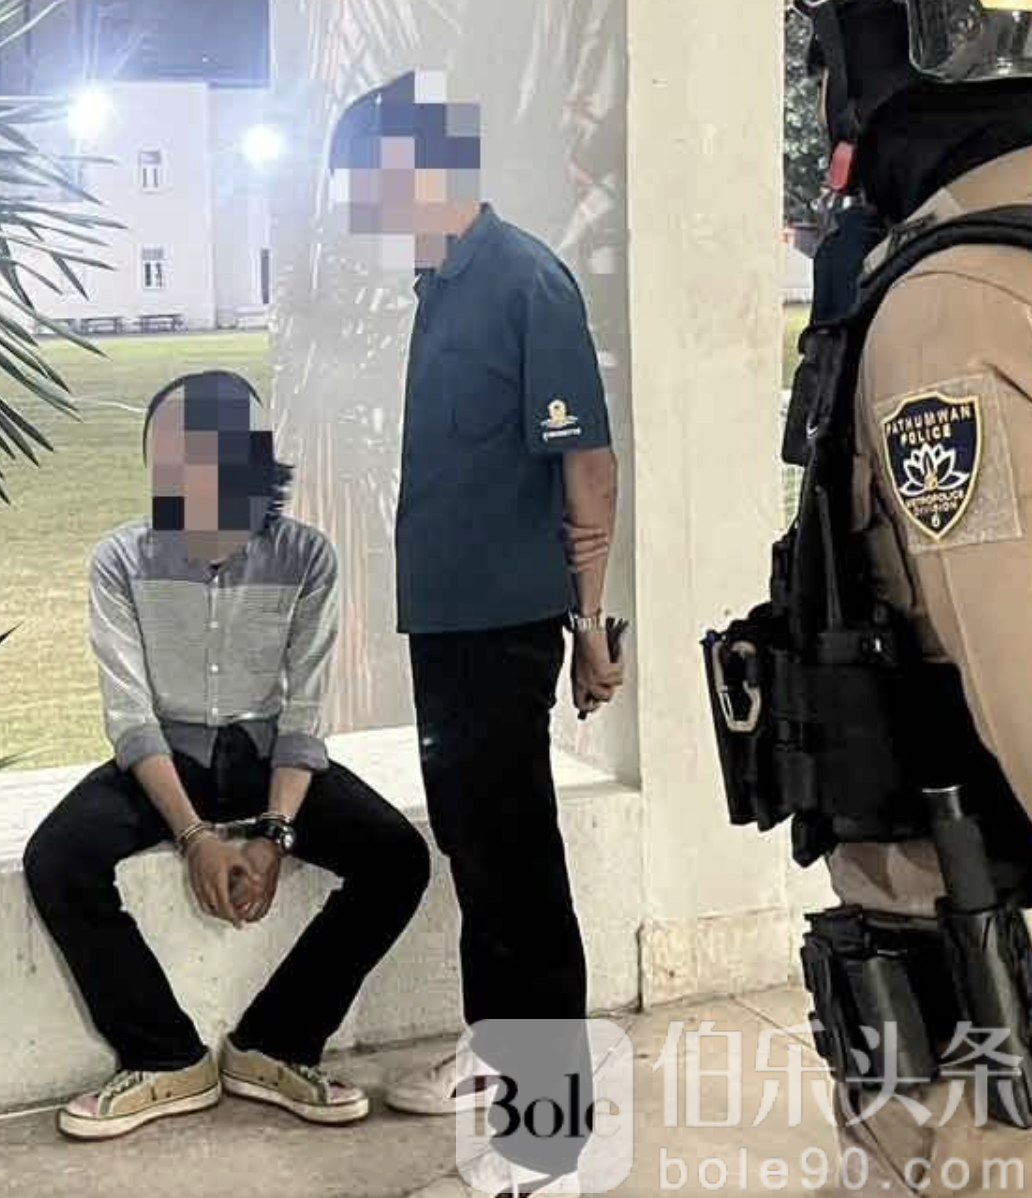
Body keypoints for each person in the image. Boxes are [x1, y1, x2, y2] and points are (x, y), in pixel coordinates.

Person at [326, 72, 624, 1194]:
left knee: (515, 864)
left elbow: (588, 468)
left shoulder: (524, 281)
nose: (359, 204)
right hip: (445, 626)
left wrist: (589, 627)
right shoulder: (439, 284)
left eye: (365, 180)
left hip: (504, 630)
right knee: (474, 846)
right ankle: (497, 1056)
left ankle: (546, 1138)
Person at [24, 370, 432, 1141]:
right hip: (163, 763)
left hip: (266, 759)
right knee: (58, 857)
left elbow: (304, 714)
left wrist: (274, 835)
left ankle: (275, 1045)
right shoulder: (121, 559)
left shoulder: (306, 558)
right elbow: (130, 718)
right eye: (169, 457)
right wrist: (194, 838)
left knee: (397, 859)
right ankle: (164, 1057)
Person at [787, 2, 1032, 1191]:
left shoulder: (954, 303)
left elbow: (1014, 671)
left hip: (970, 967)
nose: (821, 95)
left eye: (827, 56)